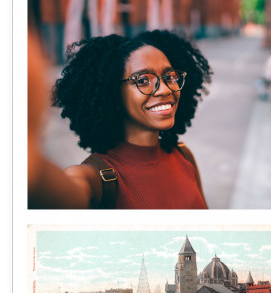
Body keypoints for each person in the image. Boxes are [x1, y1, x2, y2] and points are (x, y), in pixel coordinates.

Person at [31, 29, 212, 209]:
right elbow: (56, 192)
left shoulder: (184, 156)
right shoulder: (95, 179)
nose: (165, 89)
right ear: (113, 94)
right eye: (143, 80)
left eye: (170, 77)